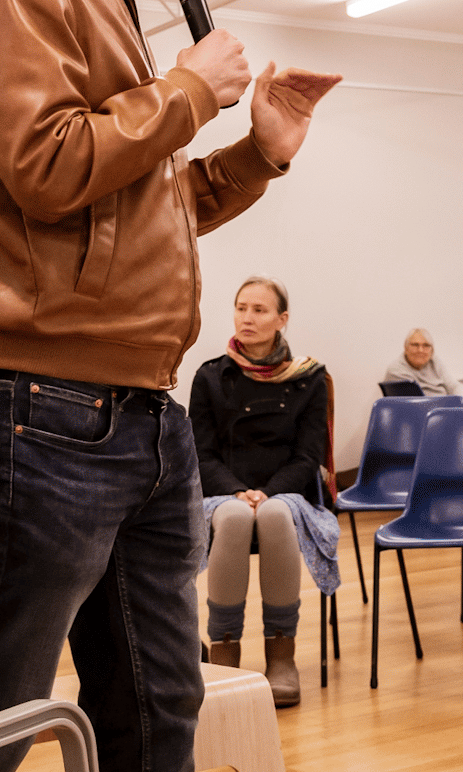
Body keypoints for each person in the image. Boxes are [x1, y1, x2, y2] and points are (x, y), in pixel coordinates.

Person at [0, 0, 339, 772]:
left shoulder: (105, 6)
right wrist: (190, 90)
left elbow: (141, 208)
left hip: (144, 418)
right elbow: (52, 168)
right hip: (47, 415)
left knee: (155, 706)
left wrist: (259, 153)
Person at [189, 277, 332, 707]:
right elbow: (201, 452)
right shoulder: (210, 376)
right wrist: (236, 492)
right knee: (234, 518)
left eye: (260, 310)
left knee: (274, 516)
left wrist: (267, 494)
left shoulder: (309, 378)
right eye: (241, 307)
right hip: (224, 495)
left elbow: (309, 456)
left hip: (285, 493)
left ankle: (281, 654)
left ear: (281, 319)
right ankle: (224, 653)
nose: (247, 318)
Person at [382, 327, 463, 398]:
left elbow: (454, 385)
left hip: (443, 409)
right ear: (406, 348)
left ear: (432, 350)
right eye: (415, 345)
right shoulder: (395, 370)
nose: (420, 350)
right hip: (420, 412)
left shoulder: (434, 362)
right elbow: (418, 401)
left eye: (426, 345)